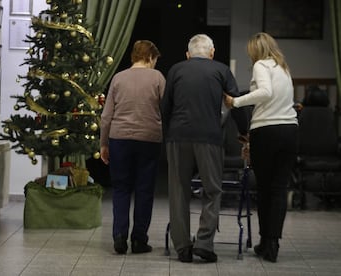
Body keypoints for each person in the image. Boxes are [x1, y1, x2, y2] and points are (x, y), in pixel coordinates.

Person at [161, 34, 248, 263]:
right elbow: (234, 102)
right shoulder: (221, 70)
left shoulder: (176, 70)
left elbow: (165, 107)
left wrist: (168, 135)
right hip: (209, 138)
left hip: (178, 137)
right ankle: (204, 243)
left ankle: (182, 248)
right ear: (212, 52)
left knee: (179, 191)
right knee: (212, 190)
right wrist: (245, 131)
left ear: (188, 54)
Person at [224, 32, 298, 263]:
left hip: (267, 131)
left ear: (256, 50)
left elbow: (266, 93)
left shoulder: (261, 65)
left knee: (265, 189)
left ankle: (266, 243)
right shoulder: (283, 68)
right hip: (290, 130)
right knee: (279, 189)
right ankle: (272, 242)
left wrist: (236, 101)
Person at [100, 40, 165, 255]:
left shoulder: (118, 78)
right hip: (149, 139)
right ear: (150, 57)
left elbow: (106, 116)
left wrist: (104, 143)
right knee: (144, 191)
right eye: (155, 59)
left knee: (120, 189)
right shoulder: (157, 78)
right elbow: (166, 109)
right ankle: (139, 240)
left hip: (120, 138)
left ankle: (119, 236)